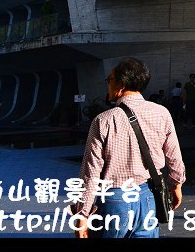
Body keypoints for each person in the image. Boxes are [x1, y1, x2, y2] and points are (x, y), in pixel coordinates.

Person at [72, 57, 185, 238]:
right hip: (148, 197)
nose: (108, 84)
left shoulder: (104, 120)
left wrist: (83, 213)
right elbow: (174, 156)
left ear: (121, 85)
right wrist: (176, 185)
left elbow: (90, 172)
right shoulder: (162, 113)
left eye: (110, 80)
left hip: (113, 199)